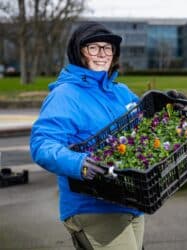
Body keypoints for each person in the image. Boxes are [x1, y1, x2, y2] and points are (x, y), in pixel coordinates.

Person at [30, 22, 144, 250]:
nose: (102, 54)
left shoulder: (119, 91)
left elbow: (146, 125)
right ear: (79, 52)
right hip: (92, 206)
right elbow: (42, 144)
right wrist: (80, 163)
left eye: (108, 48)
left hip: (132, 201)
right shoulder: (65, 95)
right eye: (94, 47)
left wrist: (167, 107)